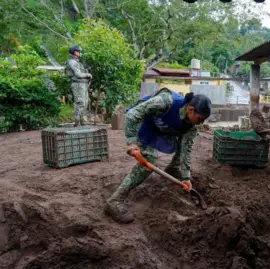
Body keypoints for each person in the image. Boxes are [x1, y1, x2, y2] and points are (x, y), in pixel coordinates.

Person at [105, 88, 212, 224]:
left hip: (160, 127)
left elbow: (186, 150)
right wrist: (131, 142)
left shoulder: (192, 126)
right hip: (142, 122)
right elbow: (132, 115)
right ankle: (115, 200)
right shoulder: (165, 101)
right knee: (149, 160)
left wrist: (186, 176)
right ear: (191, 110)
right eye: (200, 119)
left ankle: (173, 169)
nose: (201, 123)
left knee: (183, 143)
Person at [65, 45, 92, 127]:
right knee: (80, 102)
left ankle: (82, 120)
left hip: (83, 84)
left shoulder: (77, 62)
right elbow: (78, 74)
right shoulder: (72, 62)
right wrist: (88, 74)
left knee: (86, 102)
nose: (80, 53)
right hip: (77, 84)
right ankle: (77, 121)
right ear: (75, 52)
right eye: (79, 51)